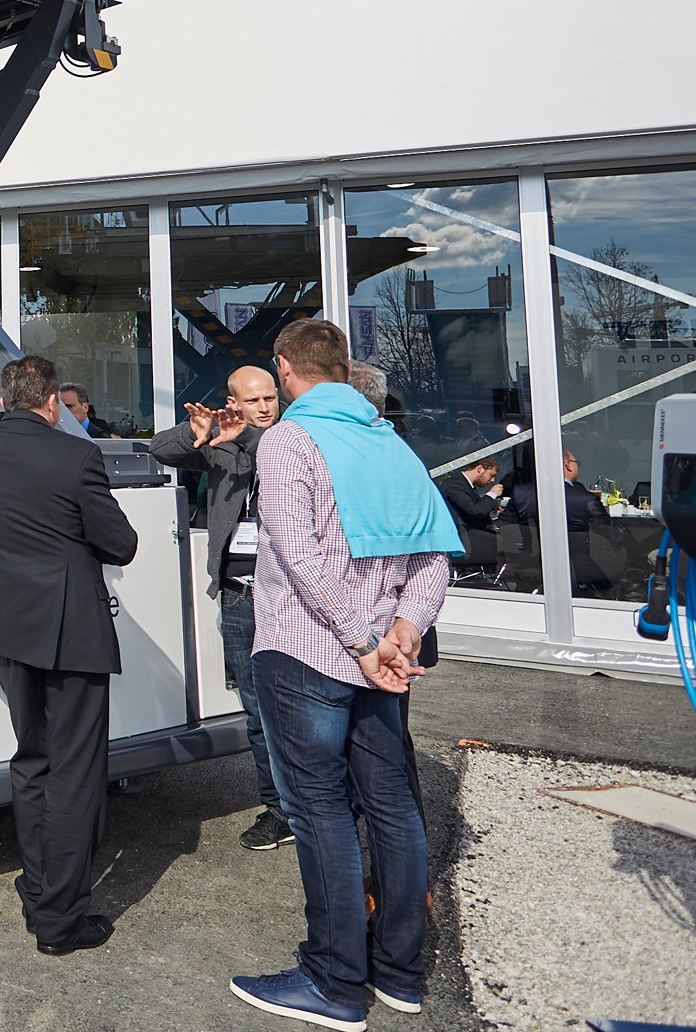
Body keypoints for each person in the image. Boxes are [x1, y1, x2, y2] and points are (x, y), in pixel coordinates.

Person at [230, 319, 455, 1030]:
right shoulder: (389, 442)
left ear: (286, 369)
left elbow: (296, 553)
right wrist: (403, 630)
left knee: (319, 812)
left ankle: (331, 982)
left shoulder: (291, 438)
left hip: (308, 653)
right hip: (380, 656)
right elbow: (434, 558)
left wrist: (362, 641)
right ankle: (400, 973)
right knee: (393, 809)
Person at [0, 355, 138, 956]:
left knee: (32, 759)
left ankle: (38, 886)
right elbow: (120, 544)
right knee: (75, 774)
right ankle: (60, 921)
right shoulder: (76, 457)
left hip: (5, 627)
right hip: (71, 633)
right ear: (52, 403)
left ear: (4, 399)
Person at [147, 365, 289, 851]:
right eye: (253, 401)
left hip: (288, 598)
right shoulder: (223, 441)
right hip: (238, 595)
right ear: (233, 402)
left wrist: (243, 434)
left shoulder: (289, 438)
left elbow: (268, 455)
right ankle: (278, 810)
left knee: (295, 707)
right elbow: (158, 450)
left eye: (270, 397)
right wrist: (198, 433)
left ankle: (314, 804)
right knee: (255, 712)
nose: (265, 407)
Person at [511, 450, 609, 595]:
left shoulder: (521, 493)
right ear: (568, 465)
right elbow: (608, 531)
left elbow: (505, 525)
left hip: (529, 559)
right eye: (577, 463)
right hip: (578, 566)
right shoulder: (585, 499)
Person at [440, 456, 505, 573]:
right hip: (464, 538)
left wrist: (492, 514)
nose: (492, 480)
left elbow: (473, 513)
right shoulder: (454, 485)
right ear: (479, 469)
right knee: (506, 545)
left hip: (470, 535)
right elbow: (475, 510)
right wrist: (491, 494)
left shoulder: (467, 485)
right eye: (491, 475)